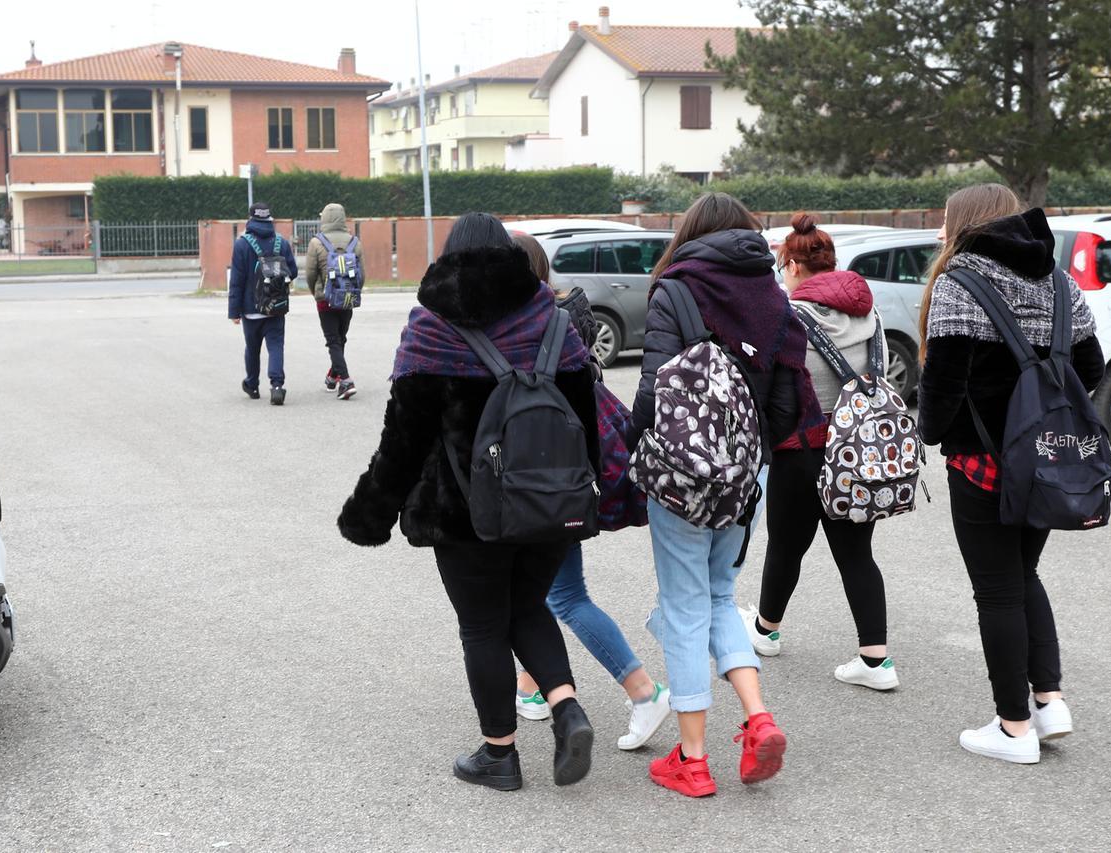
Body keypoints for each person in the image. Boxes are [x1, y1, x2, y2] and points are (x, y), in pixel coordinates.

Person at [338, 212, 601, 792]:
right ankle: (565, 707)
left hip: (463, 513)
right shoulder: (554, 322)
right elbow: (587, 423)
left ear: (449, 257)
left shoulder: (431, 327)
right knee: (528, 608)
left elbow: (402, 439)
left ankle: (499, 756)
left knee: (482, 626)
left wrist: (370, 513)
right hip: (550, 507)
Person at [628, 192, 822, 797]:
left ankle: (692, 759)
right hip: (749, 474)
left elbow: (653, 388)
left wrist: (634, 452)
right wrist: (755, 451)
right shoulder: (772, 294)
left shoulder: (677, 288)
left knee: (685, 606)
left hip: (687, 476)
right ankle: (757, 716)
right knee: (718, 596)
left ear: (691, 231)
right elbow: (790, 400)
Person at [918, 184, 1105, 764]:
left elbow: (942, 389)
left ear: (963, 223)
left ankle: (1014, 727)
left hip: (982, 464)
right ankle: (1049, 703)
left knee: (996, 590)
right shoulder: (1057, 280)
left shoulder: (958, 284)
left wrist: (933, 430)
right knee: (1023, 575)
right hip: (1048, 462)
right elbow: (1092, 366)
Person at [508, 229, 674, 751]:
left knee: (564, 595)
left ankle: (643, 690)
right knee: (537, 591)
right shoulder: (566, 314)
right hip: (571, 474)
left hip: (541, 478)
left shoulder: (517, 330)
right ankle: (532, 687)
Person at [742, 212, 897, 690]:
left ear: (791, 266)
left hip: (800, 449)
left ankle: (766, 632)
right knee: (856, 553)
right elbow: (884, 371)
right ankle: (876, 661)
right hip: (858, 451)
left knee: (787, 546)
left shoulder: (789, 317)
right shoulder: (870, 314)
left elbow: (776, 384)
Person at [229, 201, 297, 405]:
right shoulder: (281, 243)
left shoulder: (242, 244)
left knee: (252, 348)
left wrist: (234, 312)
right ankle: (277, 386)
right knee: (276, 346)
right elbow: (292, 272)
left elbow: (237, 281)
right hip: (276, 308)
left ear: (251, 219)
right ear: (269, 218)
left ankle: (252, 385)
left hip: (251, 310)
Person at [305, 203, 362, 399]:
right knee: (341, 338)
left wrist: (316, 293)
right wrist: (354, 292)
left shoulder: (316, 243)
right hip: (348, 297)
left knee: (333, 341)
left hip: (325, 300)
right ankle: (332, 377)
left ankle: (345, 381)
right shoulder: (355, 241)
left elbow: (310, 274)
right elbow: (362, 275)